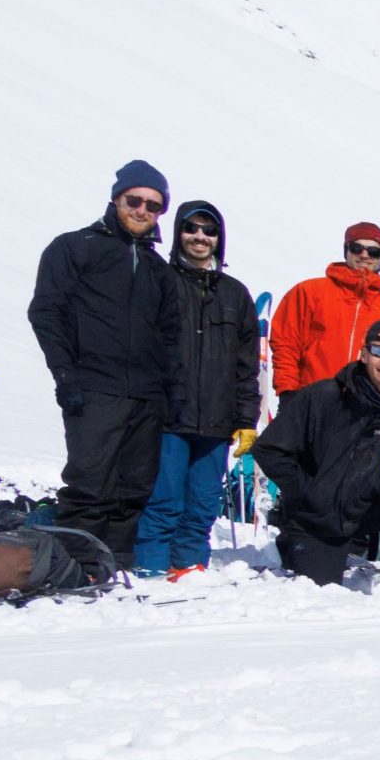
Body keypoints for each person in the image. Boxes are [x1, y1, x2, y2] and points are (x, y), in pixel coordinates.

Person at [28, 160, 183, 562]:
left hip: (146, 396)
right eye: (135, 200)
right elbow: (46, 312)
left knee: (133, 489)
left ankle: (113, 566)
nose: (143, 211)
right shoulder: (75, 247)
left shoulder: (157, 269)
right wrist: (66, 375)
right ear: (117, 199)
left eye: (154, 205)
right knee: (89, 485)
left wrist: (166, 394)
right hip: (95, 388)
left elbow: (170, 337)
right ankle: (76, 568)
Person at [252, 320, 380, 587]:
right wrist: (308, 492)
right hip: (316, 517)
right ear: (364, 354)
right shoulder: (324, 395)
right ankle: (298, 544)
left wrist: (369, 485)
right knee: (319, 591)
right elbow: (268, 449)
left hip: (360, 507)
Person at [131, 199, 259, 579]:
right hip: (168, 416)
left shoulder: (235, 294)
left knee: (203, 502)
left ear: (219, 240)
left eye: (209, 230)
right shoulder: (158, 280)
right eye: (192, 228)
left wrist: (246, 417)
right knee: (163, 499)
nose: (200, 237)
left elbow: (246, 364)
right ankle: (151, 564)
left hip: (217, 421)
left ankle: (188, 562)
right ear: (178, 234)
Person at [269, 222, 380, 398]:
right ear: (346, 250)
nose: (364, 255)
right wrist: (287, 391)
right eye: (356, 248)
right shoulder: (309, 291)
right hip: (311, 399)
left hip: (363, 408)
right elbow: (286, 345)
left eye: (373, 251)